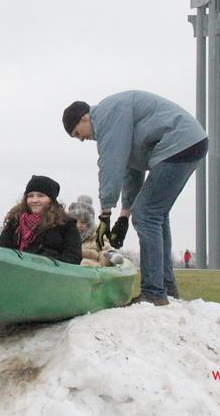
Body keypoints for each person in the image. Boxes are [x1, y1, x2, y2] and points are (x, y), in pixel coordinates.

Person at [63, 91, 207, 305]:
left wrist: (105, 214)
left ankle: (153, 292)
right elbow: (131, 172)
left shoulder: (107, 115)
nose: (82, 139)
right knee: (156, 215)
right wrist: (123, 217)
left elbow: (110, 164)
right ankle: (166, 288)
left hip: (178, 142)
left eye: (77, 133)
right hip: (189, 142)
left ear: (84, 117)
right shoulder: (117, 122)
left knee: (146, 215)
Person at [0, 175, 81, 265]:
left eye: (40, 196)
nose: (34, 200)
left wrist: (46, 262)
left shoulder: (66, 224)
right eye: (30, 196)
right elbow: (0, 249)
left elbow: (73, 257)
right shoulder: (15, 221)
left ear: (51, 199)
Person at [68, 195, 116, 267]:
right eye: (75, 222)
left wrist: (108, 258)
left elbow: (105, 251)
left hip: (89, 271)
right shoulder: (65, 237)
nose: (78, 225)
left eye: (83, 222)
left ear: (89, 224)